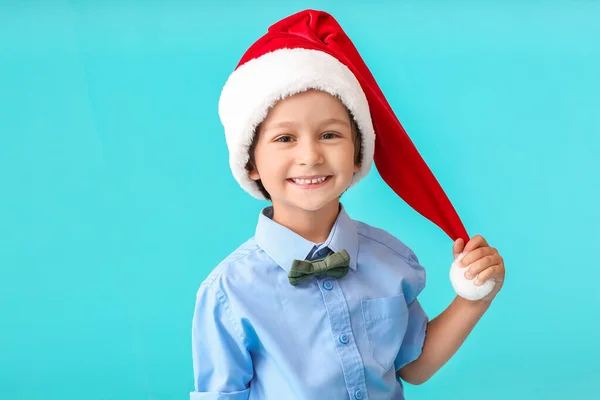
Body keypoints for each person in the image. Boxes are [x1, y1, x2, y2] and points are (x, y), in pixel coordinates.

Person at [190, 9, 505, 400]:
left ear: (359, 153)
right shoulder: (229, 291)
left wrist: (476, 298)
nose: (310, 156)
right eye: (284, 138)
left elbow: (414, 366)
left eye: (330, 134)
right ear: (249, 162)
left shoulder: (391, 259)